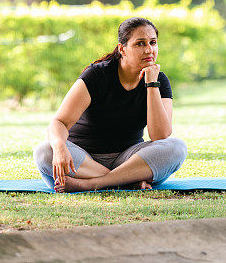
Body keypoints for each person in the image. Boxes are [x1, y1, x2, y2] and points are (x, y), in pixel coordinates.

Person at [33, 17, 187, 192]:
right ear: (122, 49)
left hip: (128, 159)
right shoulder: (97, 75)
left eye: (153, 42)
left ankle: (93, 184)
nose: (149, 50)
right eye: (140, 44)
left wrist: (151, 84)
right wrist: (60, 146)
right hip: (84, 160)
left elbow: (160, 135)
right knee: (44, 152)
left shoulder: (159, 80)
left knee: (177, 148)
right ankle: (127, 181)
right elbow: (58, 122)